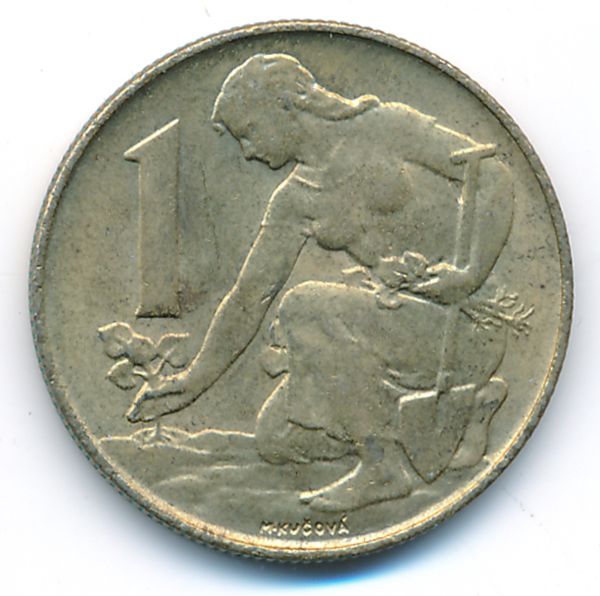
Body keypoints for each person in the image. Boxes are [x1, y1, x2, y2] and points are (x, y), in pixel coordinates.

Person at [127, 53, 514, 511]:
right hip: (401, 334)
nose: (247, 151)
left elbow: (491, 175)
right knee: (279, 438)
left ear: (285, 107)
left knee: (305, 306)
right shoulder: (294, 200)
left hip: (466, 322)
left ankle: (384, 467)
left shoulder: (387, 126)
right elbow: (249, 298)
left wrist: (469, 274)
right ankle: (467, 411)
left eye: (248, 132)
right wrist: (192, 381)